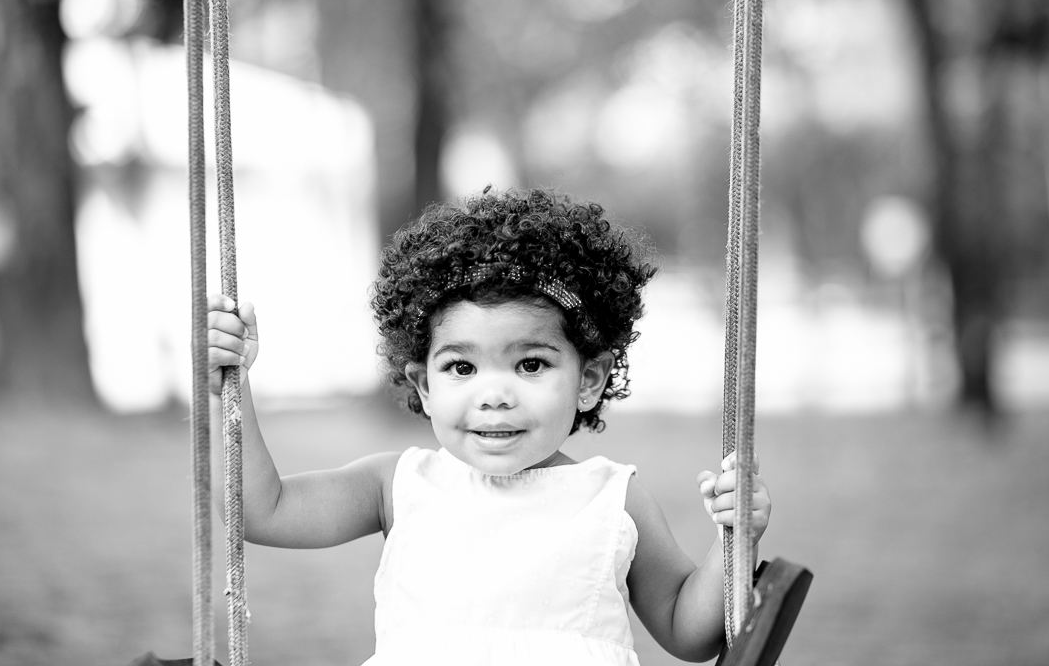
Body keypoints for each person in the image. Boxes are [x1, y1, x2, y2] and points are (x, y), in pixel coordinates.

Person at [207, 188, 771, 665]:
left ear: (589, 378)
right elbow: (263, 511)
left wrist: (734, 542)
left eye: (530, 364)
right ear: (425, 386)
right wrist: (228, 389)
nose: (494, 395)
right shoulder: (394, 485)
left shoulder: (613, 497)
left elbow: (687, 631)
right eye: (461, 367)